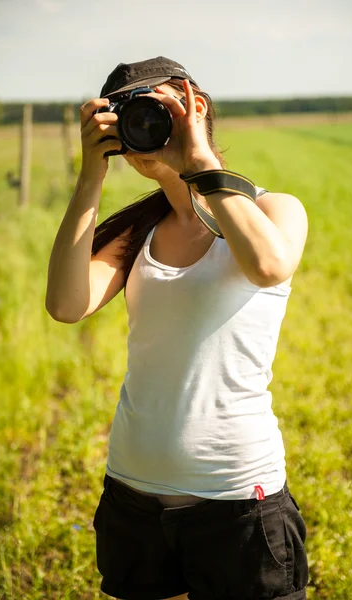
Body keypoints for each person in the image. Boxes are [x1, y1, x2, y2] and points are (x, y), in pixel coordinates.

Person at [45, 56, 309, 600]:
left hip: (238, 498)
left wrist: (199, 159)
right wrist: (91, 173)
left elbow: (267, 265)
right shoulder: (138, 234)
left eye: (155, 109)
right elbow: (67, 305)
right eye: (129, 118)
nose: (144, 128)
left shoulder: (274, 209)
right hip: (132, 497)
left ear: (196, 107)